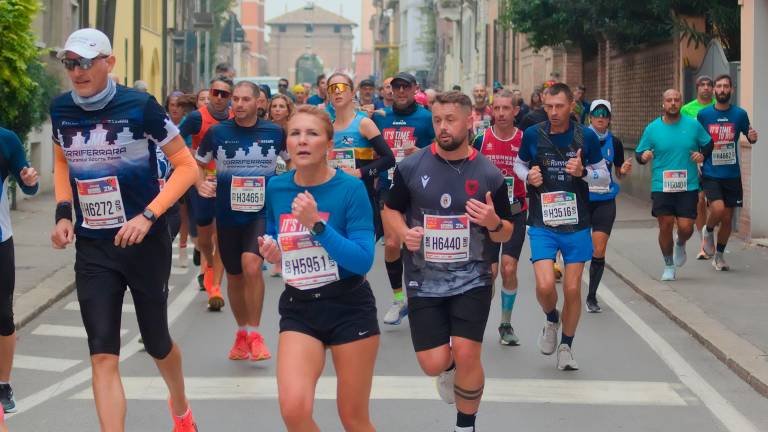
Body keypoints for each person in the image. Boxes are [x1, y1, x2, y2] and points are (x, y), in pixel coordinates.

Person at [50, 28, 198, 431]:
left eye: (85, 62)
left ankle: (181, 408)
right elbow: (62, 162)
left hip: (144, 241)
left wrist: (148, 216)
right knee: (102, 353)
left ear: (108, 63)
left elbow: (188, 168)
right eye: (70, 63)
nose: (77, 71)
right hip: (95, 246)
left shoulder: (140, 107)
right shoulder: (60, 109)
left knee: (156, 342)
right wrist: (64, 213)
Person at [383, 91, 514, 432]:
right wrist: (402, 232)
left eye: (450, 120)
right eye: (437, 120)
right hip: (424, 279)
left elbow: (506, 231)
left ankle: (465, 425)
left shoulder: (489, 174)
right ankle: (448, 367)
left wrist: (492, 223)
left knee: (470, 353)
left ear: (469, 120)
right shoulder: (411, 167)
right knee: (433, 361)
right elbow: (390, 208)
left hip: (473, 278)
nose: (443, 127)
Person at [258, 105, 379, 431]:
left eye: (312, 134)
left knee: (353, 417)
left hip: (349, 305)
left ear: (329, 144)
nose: (302, 141)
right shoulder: (277, 187)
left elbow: (363, 259)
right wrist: (272, 249)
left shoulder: (350, 190)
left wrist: (318, 226)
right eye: (295, 133)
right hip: (300, 305)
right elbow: (274, 231)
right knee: (294, 410)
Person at [513, 83, 610, 371]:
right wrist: (527, 176)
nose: (554, 112)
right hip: (543, 221)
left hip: (577, 223)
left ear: (572, 106)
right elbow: (518, 165)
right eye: (549, 107)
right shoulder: (533, 134)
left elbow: (604, 177)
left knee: (571, 289)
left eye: (559, 106)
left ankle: (566, 345)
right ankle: (551, 319)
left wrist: (584, 172)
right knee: (544, 286)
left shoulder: (587, 137)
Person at [196, 82, 286, 362]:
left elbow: (291, 163)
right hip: (227, 214)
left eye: (245, 99)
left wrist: (286, 192)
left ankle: (257, 334)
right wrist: (201, 184)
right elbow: (197, 163)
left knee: (251, 264)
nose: (238, 104)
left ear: (259, 102)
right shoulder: (217, 133)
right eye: (235, 99)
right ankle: (242, 333)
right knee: (234, 275)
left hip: (261, 214)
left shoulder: (274, 132)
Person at [372, 71, 436, 325]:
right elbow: (370, 152)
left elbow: (441, 148)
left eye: (405, 87)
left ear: (414, 89)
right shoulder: (380, 118)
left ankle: (424, 296)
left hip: (420, 186)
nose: (400, 92)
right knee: (391, 243)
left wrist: (422, 152)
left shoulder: (427, 118)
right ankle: (399, 298)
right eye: (395, 87)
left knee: (420, 246)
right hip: (390, 185)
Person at [635, 89, 713, 281]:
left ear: (681, 102)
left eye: (676, 100)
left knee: (686, 227)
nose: (672, 103)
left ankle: (680, 243)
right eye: (669, 100)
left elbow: (709, 143)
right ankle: (668, 264)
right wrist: (643, 157)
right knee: (665, 224)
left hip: (688, 185)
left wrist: (702, 155)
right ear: (663, 104)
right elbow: (639, 153)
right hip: (662, 185)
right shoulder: (652, 128)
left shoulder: (693, 125)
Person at [472, 90, 527, 346]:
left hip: (516, 211)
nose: (502, 113)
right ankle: (479, 319)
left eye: (507, 108)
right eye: (498, 108)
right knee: (490, 272)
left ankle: (505, 324)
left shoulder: (526, 140)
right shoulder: (481, 141)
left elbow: (535, 172)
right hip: (489, 214)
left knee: (509, 268)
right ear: (492, 111)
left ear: (516, 111)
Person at [180, 76, 234, 310]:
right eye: (216, 92)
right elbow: (176, 140)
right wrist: (189, 161)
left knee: (221, 235)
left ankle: (216, 287)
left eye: (224, 94)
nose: (219, 97)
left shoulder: (235, 118)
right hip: (200, 181)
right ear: (210, 93)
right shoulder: (196, 118)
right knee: (204, 237)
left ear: (229, 98)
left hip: (226, 182)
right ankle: (208, 265)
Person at [698, 74, 758, 271]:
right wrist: (697, 158)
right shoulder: (704, 115)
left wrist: (752, 137)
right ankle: (707, 231)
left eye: (726, 86)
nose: (722, 90)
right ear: (714, 90)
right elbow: (698, 140)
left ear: (731, 90)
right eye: (719, 86)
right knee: (718, 209)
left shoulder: (739, 114)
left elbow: (749, 137)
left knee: (727, 220)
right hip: (711, 172)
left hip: (732, 174)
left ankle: (719, 256)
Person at [0, 128, 39, 414]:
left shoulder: (6, 139)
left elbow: (29, 186)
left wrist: (29, 180)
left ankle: (3, 384)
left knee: (3, 316)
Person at [328, 73, 394, 236]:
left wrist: (359, 173)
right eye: (332, 88)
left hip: (361, 199)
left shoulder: (364, 124)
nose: (337, 91)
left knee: (357, 257)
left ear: (352, 93)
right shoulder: (327, 129)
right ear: (328, 95)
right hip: (334, 201)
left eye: (342, 87)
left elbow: (388, 160)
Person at [585, 100, 632, 313]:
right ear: (590, 118)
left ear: (609, 119)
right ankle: (571, 286)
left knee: (599, 249)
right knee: (576, 248)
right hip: (582, 199)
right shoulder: (580, 139)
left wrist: (625, 170)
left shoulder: (616, 143)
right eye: (597, 114)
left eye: (605, 114)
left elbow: (619, 172)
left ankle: (592, 297)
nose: (600, 117)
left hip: (605, 200)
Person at [682, 75, 715, 260]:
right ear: (697, 88)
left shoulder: (718, 107)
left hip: (716, 159)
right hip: (697, 160)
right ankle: (704, 244)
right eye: (701, 85)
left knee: (717, 204)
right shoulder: (687, 109)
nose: (705, 88)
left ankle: (710, 234)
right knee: (700, 200)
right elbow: (684, 133)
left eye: (708, 85)